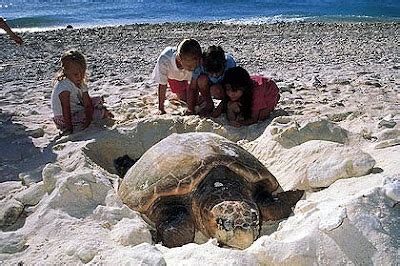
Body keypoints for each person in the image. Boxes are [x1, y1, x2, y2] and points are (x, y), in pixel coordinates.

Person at [51, 50, 113, 135]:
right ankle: (102, 114)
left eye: (82, 73)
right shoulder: (64, 87)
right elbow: (66, 109)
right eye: (76, 74)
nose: (80, 77)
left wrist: (88, 120)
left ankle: (101, 113)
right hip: (64, 119)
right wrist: (70, 129)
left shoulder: (80, 83)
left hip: (76, 108)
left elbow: (87, 104)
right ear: (65, 71)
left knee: (98, 100)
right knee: (101, 112)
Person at [213, 66, 280, 127]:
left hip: (269, 90)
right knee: (232, 105)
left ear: (243, 88)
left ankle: (275, 99)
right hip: (253, 88)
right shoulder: (234, 91)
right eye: (228, 90)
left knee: (262, 118)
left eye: (234, 90)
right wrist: (229, 109)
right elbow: (219, 111)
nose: (230, 94)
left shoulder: (256, 93)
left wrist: (239, 122)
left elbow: (254, 119)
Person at [151, 38, 202, 114]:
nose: (193, 68)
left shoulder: (195, 63)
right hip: (173, 78)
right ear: (179, 59)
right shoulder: (164, 60)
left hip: (190, 80)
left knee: (194, 102)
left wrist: (190, 109)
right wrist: (161, 108)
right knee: (183, 99)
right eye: (189, 66)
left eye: (195, 65)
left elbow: (191, 87)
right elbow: (162, 85)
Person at [189, 45, 236, 116]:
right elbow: (192, 87)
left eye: (217, 74)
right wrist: (191, 108)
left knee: (216, 90)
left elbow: (233, 87)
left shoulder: (230, 63)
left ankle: (224, 104)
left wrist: (220, 108)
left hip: (223, 87)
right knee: (201, 80)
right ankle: (209, 103)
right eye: (211, 73)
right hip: (208, 85)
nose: (214, 76)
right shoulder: (199, 65)